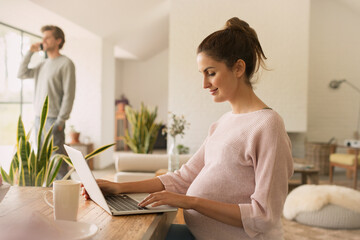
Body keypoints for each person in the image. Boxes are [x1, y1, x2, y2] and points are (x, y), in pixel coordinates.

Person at [82, 17, 293, 240]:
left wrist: (189, 201)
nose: (204, 84)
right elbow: (183, 178)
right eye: (202, 74)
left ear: (239, 68)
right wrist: (118, 188)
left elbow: (264, 216)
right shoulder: (223, 122)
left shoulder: (268, 126)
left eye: (210, 73)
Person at [18, 25, 76, 180]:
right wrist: (30, 52)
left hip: (53, 120)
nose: (43, 40)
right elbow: (21, 73)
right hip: (38, 119)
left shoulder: (66, 63)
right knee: (44, 161)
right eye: (42, 37)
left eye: (47, 37)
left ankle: (66, 193)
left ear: (58, 40)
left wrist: (61, 120)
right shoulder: (41, 65)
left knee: (57, 161)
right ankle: (51, 196)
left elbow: (69, 94)